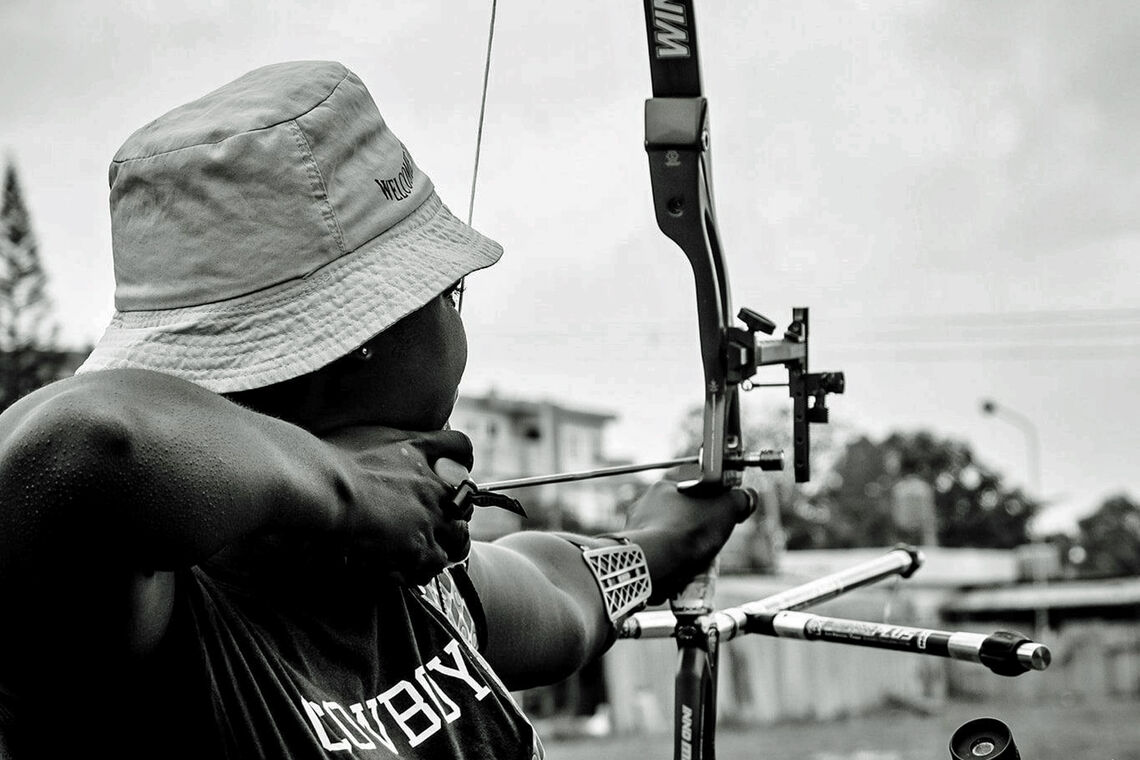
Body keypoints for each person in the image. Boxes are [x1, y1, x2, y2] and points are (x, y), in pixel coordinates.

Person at [0, 61, 753, 759]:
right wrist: (347, 490)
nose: (458, 329)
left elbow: (560, 594)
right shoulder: (133, 616)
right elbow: (80, 445)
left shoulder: (416, 588)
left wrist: (664, 543)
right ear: (364, 339)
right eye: (445, 295)